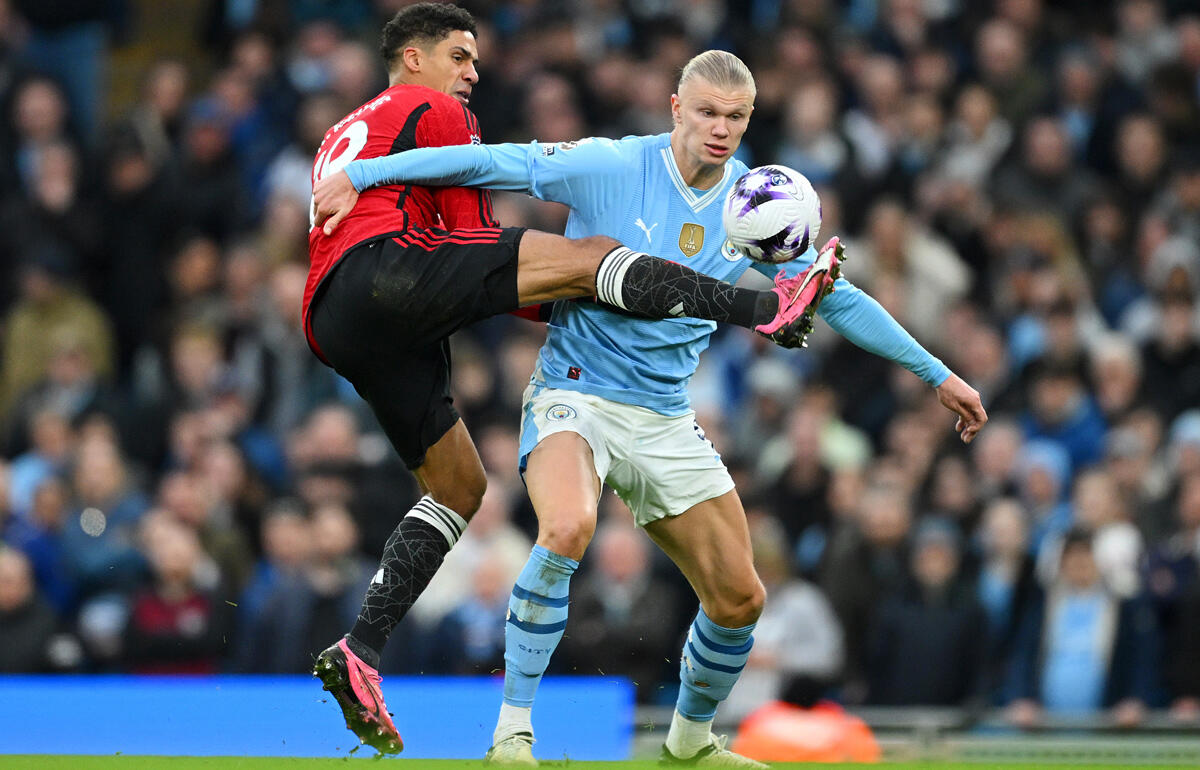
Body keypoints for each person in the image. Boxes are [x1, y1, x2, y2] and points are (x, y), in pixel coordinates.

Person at [315, 49, 987, 766]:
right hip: (574, 390)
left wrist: (937, 373)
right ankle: (510, 734)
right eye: (706, 112)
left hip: (664, 413)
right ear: (675, 108)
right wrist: (362, 174)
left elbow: (837, 300)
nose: (719, 128)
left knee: (740, 600)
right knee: (567, 527)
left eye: (734, 117)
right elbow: (489, 163)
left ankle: (689, 746)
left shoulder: (751, 210)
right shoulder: (609, 165)